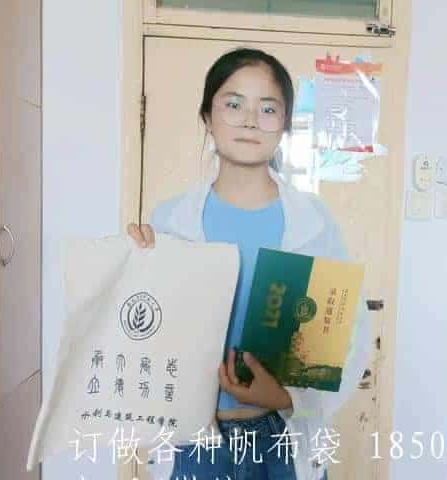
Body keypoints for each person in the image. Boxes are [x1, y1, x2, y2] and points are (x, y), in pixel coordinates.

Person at [127, 47, 372, 480]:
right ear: (208, 116)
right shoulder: (169, 222)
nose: (250, 120)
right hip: (194, 443)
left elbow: (348, 336)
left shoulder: (312, 223)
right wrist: (130, 271)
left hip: (281, 439)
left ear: (285, 124)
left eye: (268, 108)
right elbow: (142, 332)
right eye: (234, 103)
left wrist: (286, 398)